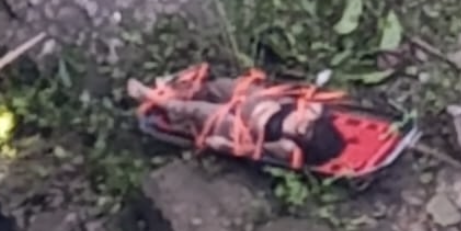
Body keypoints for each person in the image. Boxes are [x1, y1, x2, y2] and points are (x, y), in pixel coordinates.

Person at [128, 73, 347, 168]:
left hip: (241, 126)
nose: (302, 127)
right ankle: (180, 91)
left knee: (202, 111)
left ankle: (155, 99)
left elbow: (255, 150)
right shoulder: (312, 112)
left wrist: (225, 145)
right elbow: (311, 98)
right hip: (256, 102)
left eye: (305, 134)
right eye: (309, 126)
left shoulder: (287, 146)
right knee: (221, 86)